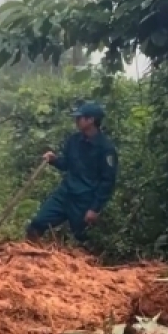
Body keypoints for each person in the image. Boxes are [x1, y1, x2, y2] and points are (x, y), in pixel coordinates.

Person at [26, 102, 117, 243]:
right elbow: (67, 164)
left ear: (91, 120)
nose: (76, 121)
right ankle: (29, 253)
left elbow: (107, 181)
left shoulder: (106, 149)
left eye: (80, 118)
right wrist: (54, 160)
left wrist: (94, 209)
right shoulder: (74, 141)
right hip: (65, 194)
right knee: (36, 224)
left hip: (84, 201)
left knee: (83, 240)